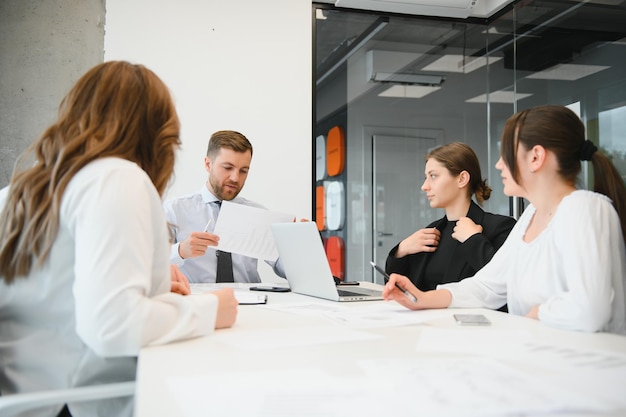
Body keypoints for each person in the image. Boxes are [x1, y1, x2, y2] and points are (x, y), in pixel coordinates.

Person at [0, 61, 239, 417]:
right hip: (75, 402)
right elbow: (112, 326)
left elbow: (58, 291)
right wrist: (210, 310)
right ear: (158, 132)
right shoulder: (117, 177)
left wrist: (146, 284)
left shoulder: (22, 188)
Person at [383, 105, 626, 335]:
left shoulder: (584, 208)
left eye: (506, 154)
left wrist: (535, 315)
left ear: (536, 157)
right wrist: (422, 298)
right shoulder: (530, 216)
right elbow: (488, 286)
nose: (499, 164)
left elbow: (591, 308)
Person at [385, 142, 516, 302]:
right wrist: (402, 250)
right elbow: (398, 289)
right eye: (426, 177)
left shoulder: (500, 227)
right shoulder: (431, 231)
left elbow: (504, 284)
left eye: (433, 176)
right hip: (426, 323)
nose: (424, 186)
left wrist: (473, 240)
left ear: (462, 179)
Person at [163, 130, 285, 283]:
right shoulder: (174, 211)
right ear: (208, 164)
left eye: (243, 171)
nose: (235, 178)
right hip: (198, 303)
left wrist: (296, 246)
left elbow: (283, 268)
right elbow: (150, 265)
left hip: (251, 303)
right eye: (227, 168)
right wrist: (180, 251)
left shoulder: (257, 214)